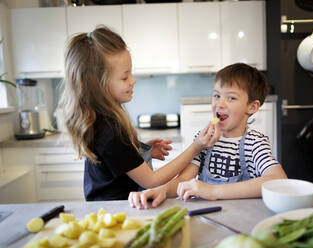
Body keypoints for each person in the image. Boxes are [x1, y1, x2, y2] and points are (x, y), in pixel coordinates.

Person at [58, 25, 220, 201]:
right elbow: (152, 180)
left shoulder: (105, 117)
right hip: (113, 209)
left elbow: (119, 162)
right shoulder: (108, 130)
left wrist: (142, 152)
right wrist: (196, 147)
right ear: (97, 85)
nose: (133, 80)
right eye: (125, 77)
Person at [129, 63, 288, 209]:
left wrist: (213, 191)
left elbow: (277, 180)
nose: (220, 104)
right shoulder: (205, 141)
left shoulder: (255, 143)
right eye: (217, 95)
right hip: (207, 214)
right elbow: (184, 180)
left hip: (243, 215)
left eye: (231, 98)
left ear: (252, 107)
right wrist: (162, 190)